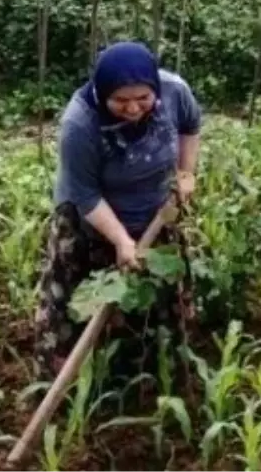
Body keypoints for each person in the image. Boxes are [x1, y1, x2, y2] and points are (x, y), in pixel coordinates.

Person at [35, 40, 203, 376]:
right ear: (102, 94)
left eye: (143, 98)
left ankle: (160, 369)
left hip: (154, 210)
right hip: (90, 219)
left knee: (164, 290)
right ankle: (65, 381)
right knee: (73, 301)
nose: (134, 108)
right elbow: (84, 193)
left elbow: (190, 125)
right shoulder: (79, 124)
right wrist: (122, 241)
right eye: (120, 101)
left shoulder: (174, 91)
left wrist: (185, 173)